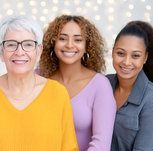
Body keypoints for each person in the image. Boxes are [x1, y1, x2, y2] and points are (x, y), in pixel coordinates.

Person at [0, 15, 78, 150]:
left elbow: (69, 148)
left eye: (28, 44)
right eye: (11, 44)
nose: (19, 52)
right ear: (1, 52)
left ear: (39, 51)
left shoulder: (58, 93)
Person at [39, 15, 116, 151]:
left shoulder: (100, 85)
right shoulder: (38, 77)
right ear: (53, 43)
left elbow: (101, 145)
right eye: (62, 38)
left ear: (87, 46)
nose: (69, 45)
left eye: (78, 40)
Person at [106, 23, 153, 150]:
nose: (127, 62)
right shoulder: (103, 83)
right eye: (121, 53)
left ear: (145, 58)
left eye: (135, 56)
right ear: (112, 53)